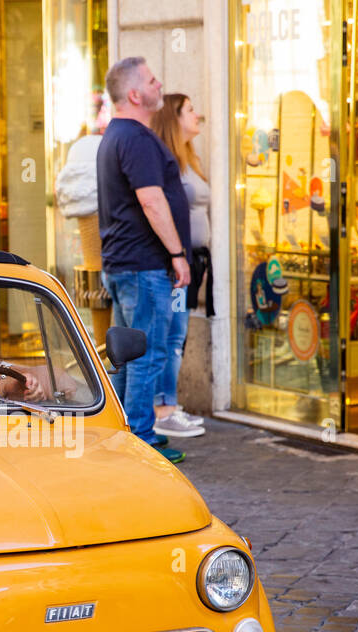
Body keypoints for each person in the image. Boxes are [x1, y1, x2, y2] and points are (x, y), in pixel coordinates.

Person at [95, 57, 191, 464]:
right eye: (153, 80)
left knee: (126, 351)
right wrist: (177, 253)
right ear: (135, 94)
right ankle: (140, 440)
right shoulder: (134, 137)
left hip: (125, 264)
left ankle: (121, 433)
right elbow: (151, 201)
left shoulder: (118, 134)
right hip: (143, 264)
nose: (160, 83)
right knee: (146, 351)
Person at [152, 92, 213, 439]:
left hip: (192, 264)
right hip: (176, 267)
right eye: (190, 110)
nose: (198, 115)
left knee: (179, 333)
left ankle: (169, 405)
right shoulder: (169, 163)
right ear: (173, 119)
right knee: (172, 335)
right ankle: (164, 409)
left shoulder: (191, 159)